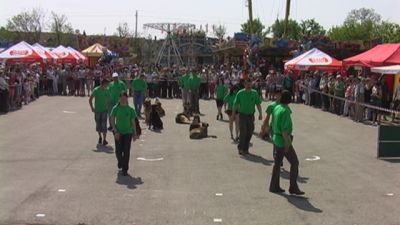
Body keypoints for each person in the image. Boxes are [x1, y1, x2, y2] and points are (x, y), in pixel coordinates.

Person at [269, 90, 304, 195]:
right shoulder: (285, 111)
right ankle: (293, 187)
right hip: (283, 140)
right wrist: (287, 144)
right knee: (294, 162)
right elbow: (284, 130)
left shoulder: (277, 107)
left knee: (277, 164)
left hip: (276, 138)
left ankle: (274, 186)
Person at [232, 78, 262, 155]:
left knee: (250, 132)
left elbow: (258, 104)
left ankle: (246, 148)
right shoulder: (240, 93)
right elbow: (235, 105)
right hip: (242, 115)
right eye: (247, 84)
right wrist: (233, 115)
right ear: (244, 85)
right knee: (243, 132)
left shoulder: (254, 93)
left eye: (250, 84)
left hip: (251, 116)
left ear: (252, 84)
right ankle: (240, 148)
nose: (248, 86)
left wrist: (260, 114)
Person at [110, 92, 138, 176]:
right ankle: (120, 161)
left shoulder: (130, 109)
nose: (123, 100)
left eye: (124, 98)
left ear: (127, 99)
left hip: (128, 133)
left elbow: (133, 122)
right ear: (119, 99)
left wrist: (135, 133)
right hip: (118, 132)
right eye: (121, 98)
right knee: (118, 151)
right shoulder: (115, 108)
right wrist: (115, 131)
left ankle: (125, 168)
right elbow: (112, 120)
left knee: (126, 151)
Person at [89, 79, 111, 146]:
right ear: (103, 84)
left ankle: (104, 139)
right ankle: (100, 137)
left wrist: (107, 106)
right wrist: (92, 108)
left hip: (104, 110)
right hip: (97, 110)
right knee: (98, 125)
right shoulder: (96, 90)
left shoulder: (107, 90)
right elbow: (90, 99)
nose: (107, 86)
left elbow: (109, 99)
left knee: (104, 125)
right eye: (106, 84)